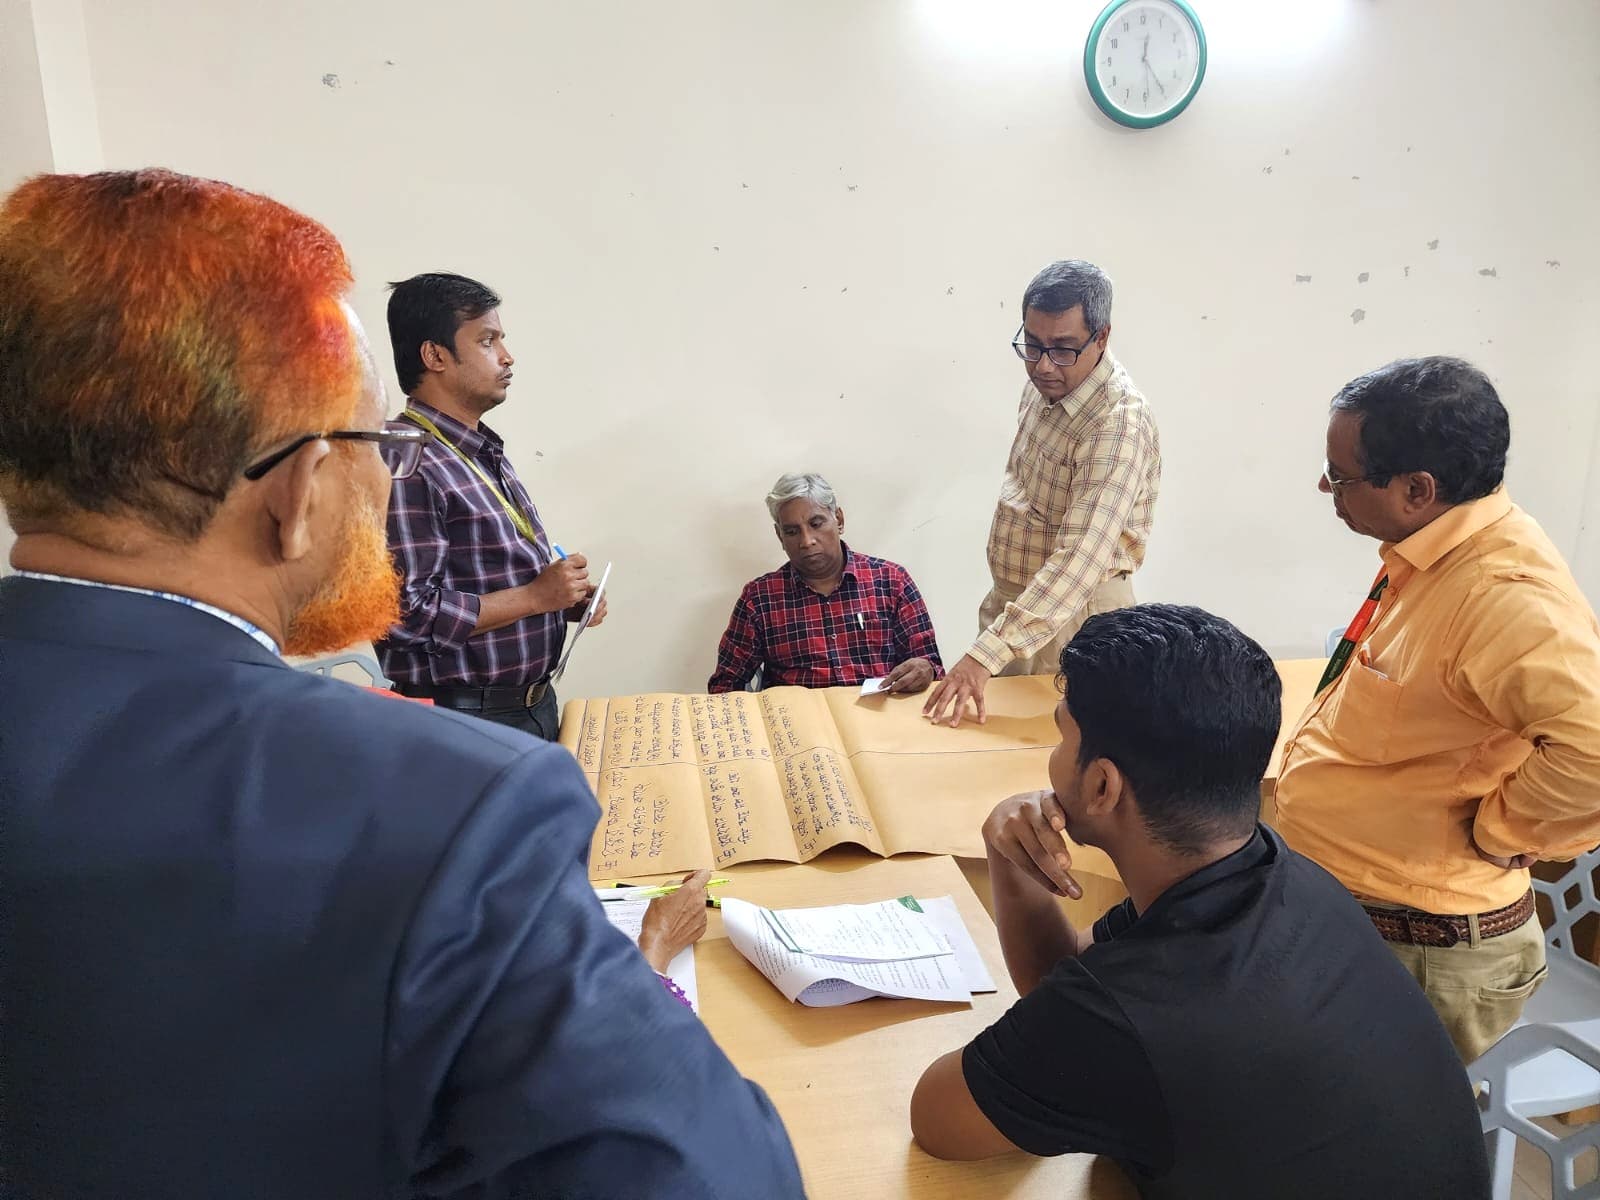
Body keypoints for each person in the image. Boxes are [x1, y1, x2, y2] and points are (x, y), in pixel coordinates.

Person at [0, 169, 802, 1199]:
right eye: (370, 443)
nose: (385, 478)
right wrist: (643, 973)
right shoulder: (454, 814)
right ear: (295, 496)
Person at [910, 605, 1489, 1199]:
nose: (1052, 760)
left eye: (1061, 735)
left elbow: (938, 1119)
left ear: (1103, 785)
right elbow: (1064, 981)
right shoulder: (1280, 872)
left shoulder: (1132, 1007)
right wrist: (1009, 856)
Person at [1275, 356, 1600, 1062]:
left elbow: (1595, 752)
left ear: (1418, 490)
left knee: (1360, 1152)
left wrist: (1504, 825)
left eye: (1343, 476)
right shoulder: (1435, 554)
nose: (1325, 487)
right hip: (1367, 923)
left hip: (1422, 954)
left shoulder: (1505, 597)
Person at [925, 259, 1160, 727]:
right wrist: (998, 632)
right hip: (1019, 610)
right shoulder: (1044, 384)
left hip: (1075, 618)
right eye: (1032, 345)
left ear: (1103, 337)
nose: (1044, 365)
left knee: (1050, 763)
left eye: (1064, 348)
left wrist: (985, 653)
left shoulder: (1117, 424)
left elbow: (1079, 561)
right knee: (986, 752)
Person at [376, 272, 600, 740]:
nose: (507, 356)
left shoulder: (477, 449)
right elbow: (404, 616)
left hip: (524, 707)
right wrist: (536, 597)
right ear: (435, 355)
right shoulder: (407, 461)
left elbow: (490, 574)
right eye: (487, 340)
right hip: (462, 721)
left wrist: (561, 600)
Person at [709, 472, 944, 693]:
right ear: (780, 537)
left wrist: (925, 669)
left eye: (816, 523)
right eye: (792, 532)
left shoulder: (891, 581)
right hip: (798, 731)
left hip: (881, 726)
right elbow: (725, 685)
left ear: (839, 520)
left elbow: (930, 666)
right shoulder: (759, 599)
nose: (807, 541)